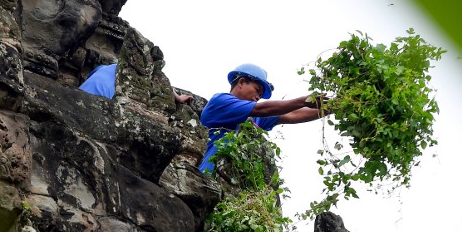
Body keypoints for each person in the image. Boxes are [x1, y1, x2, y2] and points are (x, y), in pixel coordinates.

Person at [199, 63, 328, 173]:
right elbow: (263, 109)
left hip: (231, 188)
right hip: (208, 175)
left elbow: (292, 114)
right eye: (257, 90)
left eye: (261, 95)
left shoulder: (253, 119)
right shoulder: (221, 101)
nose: (258, 96)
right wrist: (303, 101)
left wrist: (333, 107)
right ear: (241, 82)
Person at [79, 62, 194, 104]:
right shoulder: (135, 76)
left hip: (77, 95)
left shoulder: (105, 67)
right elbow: (161, 82)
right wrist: (178, 97)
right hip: (96, 104)